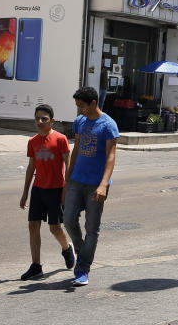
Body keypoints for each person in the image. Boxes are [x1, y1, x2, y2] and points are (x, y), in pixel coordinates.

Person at [63, 86, 118, 287]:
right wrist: (67, 178)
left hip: (96, 184)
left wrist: (103, 185)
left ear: (93, 103)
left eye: (81, 106)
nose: (79, 110)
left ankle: (83, 268)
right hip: (77, 180)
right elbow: (76, 149)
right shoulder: (80, 122)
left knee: (92, 228)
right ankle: (81, 251)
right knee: (68, 219)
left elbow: (111, 156)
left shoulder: (108, 125)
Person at [19, 104, 75, 281]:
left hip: (56, 190)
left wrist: (67, 190)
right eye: (37, 118)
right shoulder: (32, 141)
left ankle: (67, 248)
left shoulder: (60, 139)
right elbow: (30, 168)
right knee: (33, 226)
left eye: (44, 118)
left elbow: (69, 165)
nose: (39, 121)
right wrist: (25, 193)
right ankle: (36, 266)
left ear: (52, 121)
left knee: (54, 228)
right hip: (38, 190)